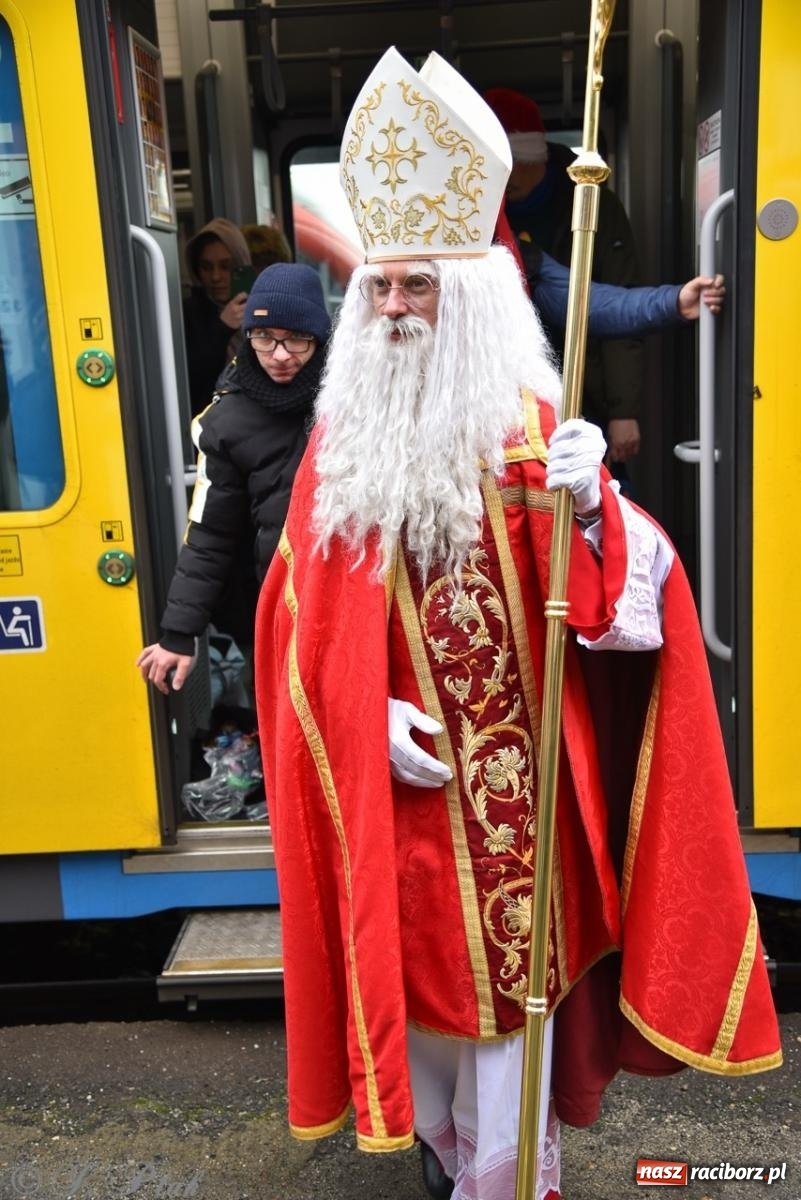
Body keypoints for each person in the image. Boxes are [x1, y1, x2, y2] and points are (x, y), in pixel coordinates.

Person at [254, 48, 781, 1200]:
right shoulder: (342, 447)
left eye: (418, 287)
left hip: (527, 789)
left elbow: (621, 617)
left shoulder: (539, 426)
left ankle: (508, 1180)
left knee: (510, 1027)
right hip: (404, 802)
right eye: (378, 288)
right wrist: (367, 709)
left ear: (471, 293)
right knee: (429, 1019)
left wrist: (599, 509)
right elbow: (298, 619)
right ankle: (452, 1166)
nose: (393, 308)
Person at [137, 263, 330, 697]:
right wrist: (178, 634)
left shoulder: (352, 399)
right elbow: (210, 533)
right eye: (264, 338)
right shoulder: (225, 420)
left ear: (320, 339)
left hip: (355, 598)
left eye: (296, 338)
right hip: (276, 602)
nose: (280, 354)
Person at [486, 87, 644, 482]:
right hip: (510, 381)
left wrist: (623, 409)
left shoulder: (594, 205)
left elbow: (613, 303)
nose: (503, 185)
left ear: (532, 160)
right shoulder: (484, 213)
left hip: (582, 378)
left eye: (512, 169)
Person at [182, 217, 253, 417]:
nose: (215, 277)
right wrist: (221, 328)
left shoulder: (261, 308)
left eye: (225, 266)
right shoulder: (188, 314)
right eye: (206, 267)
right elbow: (191, 379)